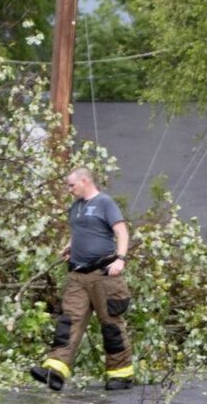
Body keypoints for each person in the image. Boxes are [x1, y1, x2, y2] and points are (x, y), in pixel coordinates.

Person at [30, 167, 134, 392]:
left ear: (85, 181)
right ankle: (55, 371)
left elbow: (122, 232)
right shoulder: (76, 207)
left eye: (71, 185)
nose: (69, 190)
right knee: (68, 322)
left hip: (103, 275)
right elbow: (78, 231)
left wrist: (121, 259)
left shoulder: (105, 203)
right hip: (78, 274)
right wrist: (70, 246)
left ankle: (120, 375)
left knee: (111, 325)